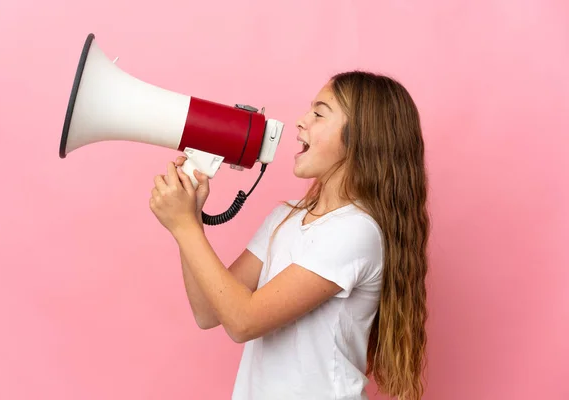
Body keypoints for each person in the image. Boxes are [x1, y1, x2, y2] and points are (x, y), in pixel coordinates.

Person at [149, 70, 430, 400]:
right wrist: (190, 218)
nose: (301, 121)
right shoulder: (286, 217)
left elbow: (243, 321)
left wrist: (184, 226)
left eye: (319, 113)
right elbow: (209, 313)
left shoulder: (356, 231)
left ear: (362, 136)